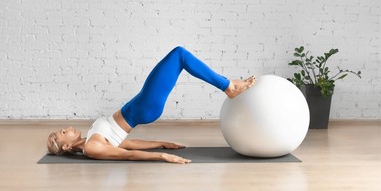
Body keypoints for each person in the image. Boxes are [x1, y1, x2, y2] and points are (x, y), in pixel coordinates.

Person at [47, 46, 256, 164]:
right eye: (61, 133)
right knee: (179, 55)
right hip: (143, 106)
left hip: (140, 104)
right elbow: (127, 155)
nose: (65, 129)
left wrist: (162, 142)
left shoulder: (91, 140)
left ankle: (228, 84)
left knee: (179, 57)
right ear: (66, 146)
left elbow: (127, 144)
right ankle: (229, 86)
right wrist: (161, 156)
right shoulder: (92, 147)